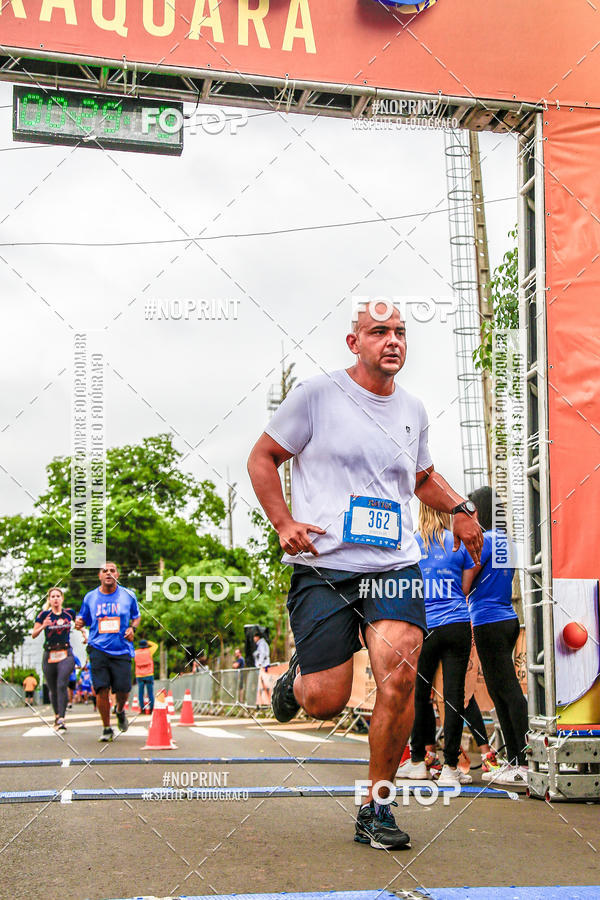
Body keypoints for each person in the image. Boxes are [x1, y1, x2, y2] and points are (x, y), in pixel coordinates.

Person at [247, 300, 482, 850]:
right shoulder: (315, 396)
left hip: (394, 566)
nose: (393, 340)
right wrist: (282, 522)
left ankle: (376, 808)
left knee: (400, 676)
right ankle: (299, 676)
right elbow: (262, 457)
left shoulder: (413, 409)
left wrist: (461, 508)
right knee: (324, 700)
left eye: (400, 332)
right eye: (379, 332)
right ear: (354, 343)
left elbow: (422, 477)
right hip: (324, 566)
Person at [399, 504, 474, 787]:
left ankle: (418, 761)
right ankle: (450, 768)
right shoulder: (458, 542)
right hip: (456, 622)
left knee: (420, 693)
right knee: (454, 695)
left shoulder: (412, 545)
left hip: (424, 625)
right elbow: (464, 589)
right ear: (445, 513)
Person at [462, 486, 529, 785]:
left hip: (488, 620)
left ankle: (523, 760)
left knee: (507, 690)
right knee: (503, 689)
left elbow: (466, 581)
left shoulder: (485, 541)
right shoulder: (507, 542)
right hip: (507, 618)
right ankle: (516, 759)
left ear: (479, 512)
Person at [75, 562, 140, 742]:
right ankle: (106, 728)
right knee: (101, 689)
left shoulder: (128, 595)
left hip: (122, 649)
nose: (109, 573)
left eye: (112, 570)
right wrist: (79, 623)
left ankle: (119, 710)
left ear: (117, 575)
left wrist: (132, 629)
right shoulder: (90, 597)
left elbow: (136, 616)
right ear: (100, 576)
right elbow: (83, 618)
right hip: (98, 648)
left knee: (123, 689)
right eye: (105, 571)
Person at [31, 588, 77, 731]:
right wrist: (44, 625)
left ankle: (62, 718)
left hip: (66, 653)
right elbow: (34, 634)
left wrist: (84, 634)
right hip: (50, 653)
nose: (56, 599)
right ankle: (57, 715)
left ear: (62, 599)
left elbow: (81, 624)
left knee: (61, 684)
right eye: (53, 597)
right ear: (49, 600)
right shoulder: (44, 615)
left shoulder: (69, 613)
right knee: (53, 688)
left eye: (58, 596)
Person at [134, 639, 158, 715]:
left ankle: (142, 709)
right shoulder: (149, 651)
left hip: (139, 675)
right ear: (146, 645)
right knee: (150, 693)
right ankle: (151, 709)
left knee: (141, 693)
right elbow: (156, 645)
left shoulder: (135, 652)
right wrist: (148, 642)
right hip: (149, 675)